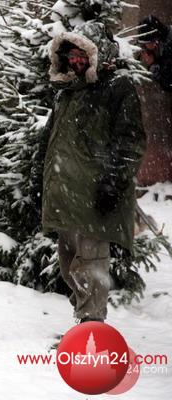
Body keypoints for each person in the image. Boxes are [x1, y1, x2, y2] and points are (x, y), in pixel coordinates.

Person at [40, 22, 146, 323]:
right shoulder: (66, 91)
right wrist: (40, 176)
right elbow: (51, 138)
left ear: (97, 54)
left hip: (95, 194)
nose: (76, 61)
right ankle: (82, 320)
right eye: (71, 55)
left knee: (91, 264)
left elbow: (130, 141)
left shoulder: (117, 88)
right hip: (66, 195)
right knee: (69, 265)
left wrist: (113, 182)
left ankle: (91, 324)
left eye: (82, 55)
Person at [138, 15, 172, 91]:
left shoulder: (168, 47)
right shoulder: (158, 41)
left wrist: (152, 65)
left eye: (147, 43)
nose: (145, 46)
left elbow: (168, 83)